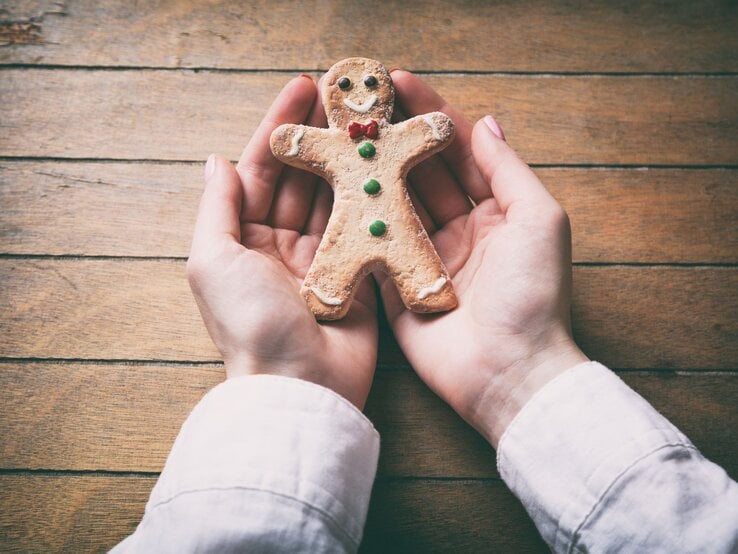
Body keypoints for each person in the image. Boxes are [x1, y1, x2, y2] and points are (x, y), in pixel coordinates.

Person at [113, 71, 738, 553]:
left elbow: (432, 131)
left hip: (406, 236)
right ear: (337, 98)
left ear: (383, 95)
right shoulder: (332, 145)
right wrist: (526, 371)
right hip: (348, 232)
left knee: (417, 264)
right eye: (348, 88)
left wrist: (279, 382)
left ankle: (372, 290)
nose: (359, 96)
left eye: (367, 86)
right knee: (334, 268)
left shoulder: (398, 138)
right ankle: (330, 289)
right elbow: (289, 142)